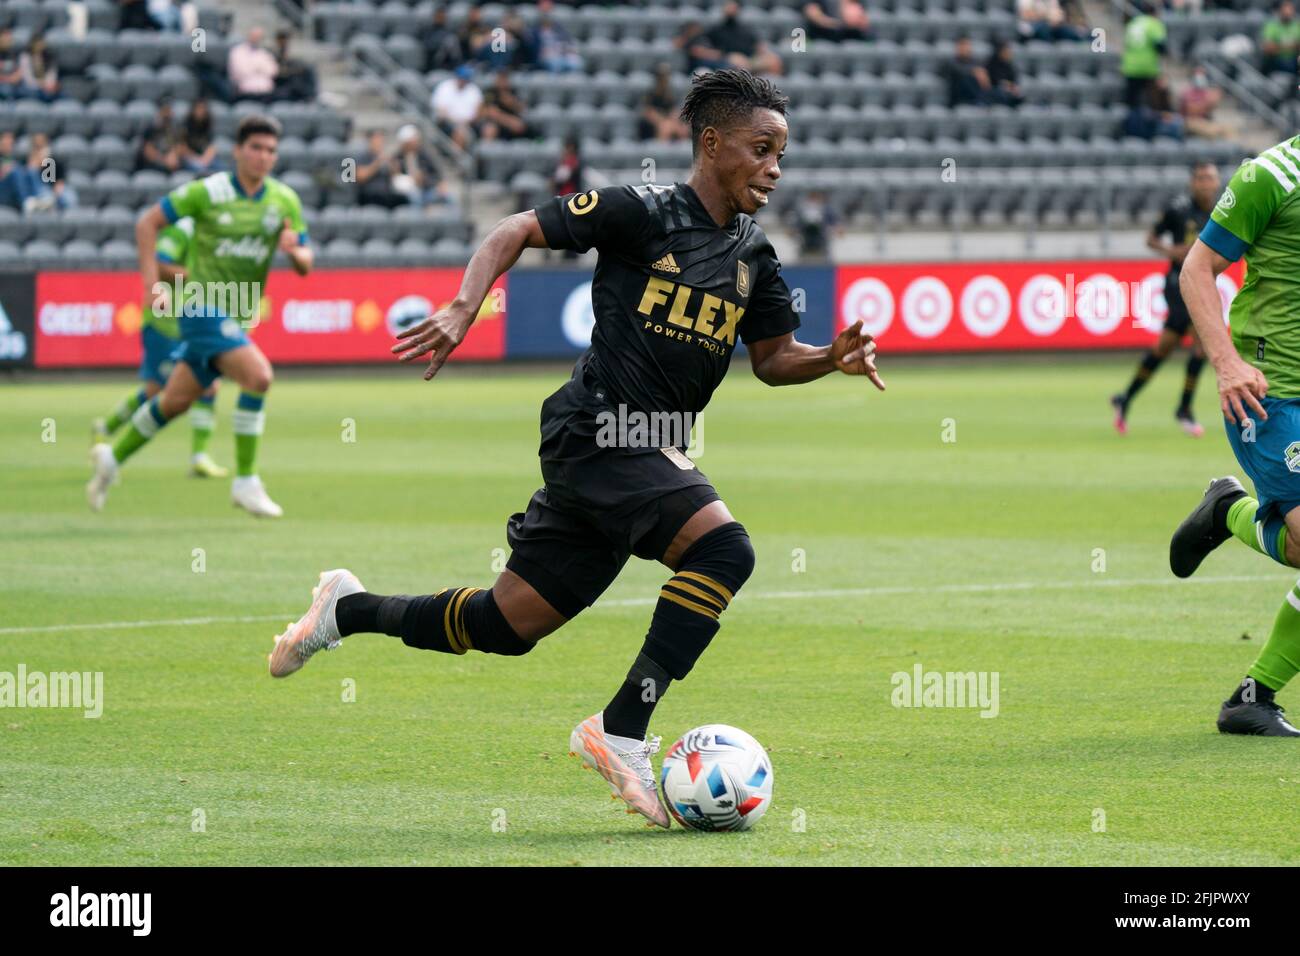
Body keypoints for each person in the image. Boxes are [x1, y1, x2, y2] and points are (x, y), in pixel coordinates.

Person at [264, 70, 885, 829]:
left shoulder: (755, 254)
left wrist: (832, 359)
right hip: (600, 428)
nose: (775, 168)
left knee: (505, 626)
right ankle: (622, 728)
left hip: (642, 451)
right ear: (712, 143)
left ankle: (345, 610)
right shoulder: (642, 212)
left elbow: (774, 357)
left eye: (782, 153)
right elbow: (513, 229)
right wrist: (466, 307)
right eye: (761, 149)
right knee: (726, 551)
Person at [87, 115, 313, 518]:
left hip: (239, 311)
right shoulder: (208, 191)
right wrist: (149, 285)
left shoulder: (284, 200)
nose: (264, 157)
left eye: (271, 150)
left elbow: (306, 263)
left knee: (173, 401)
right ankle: (246, 481)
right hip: (201, 306)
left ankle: (111, 457)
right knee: (259, 376)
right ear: (238, 151)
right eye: (256, 148)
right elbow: (147, 223)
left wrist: (294, 251)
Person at [1170, 132, 1300, 736]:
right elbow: (1196, 269)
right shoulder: (1269, 176)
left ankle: (1253, 699)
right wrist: (1224, 362)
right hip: (1270, 395)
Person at [92, 216, 228, 478]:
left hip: (194, 322)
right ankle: (105, 428)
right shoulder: (182, 231)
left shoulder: (214, 233)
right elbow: (159, 264)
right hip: (164, 322)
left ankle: (200, 457)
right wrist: (197, 277)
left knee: (209, 383)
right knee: (158, 390)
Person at [1111, 161, 1220, 437]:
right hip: (1178, 284)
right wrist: (1172, 250)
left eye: (1211, 178)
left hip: (1203, 284)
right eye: (1201, 178)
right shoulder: (1178, 208)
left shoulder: (1221, 210)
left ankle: (1125, 397)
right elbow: (1151, 239)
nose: (1206, 183)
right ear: (1192, 182)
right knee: (1201, 344)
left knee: (1164, 349)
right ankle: (1183, 409)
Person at [687, 2, 783, 76]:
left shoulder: (746, 29)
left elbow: (759, 46)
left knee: (774, 61)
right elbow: (698, 49)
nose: (730, 9)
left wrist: (764, 54)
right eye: (728, 6)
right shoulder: (715, 30)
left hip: (748, 60)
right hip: (725, 61)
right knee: (737, 65)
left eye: (733, 6)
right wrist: (724, 56)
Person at [391, 124, 453, 207]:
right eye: (412, 141)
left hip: (427, 189)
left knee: (448, 197)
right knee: (414, 196)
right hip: (408, 192)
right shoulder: (397, 158)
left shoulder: (424, 155)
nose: (416, 142)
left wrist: (428, 180)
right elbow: (396, 179)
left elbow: (436, 174)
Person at [1120, 1, 1166, 110]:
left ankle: (1131, 125)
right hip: (1147, 66)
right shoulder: (1154, 24)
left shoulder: (1133, 23)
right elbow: (1160, 45)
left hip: (1130, 66)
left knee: (1132, 101)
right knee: (1151, 101)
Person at [431, 64, 483, 149]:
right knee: (459, 133)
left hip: (469, 124)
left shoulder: (473, 89)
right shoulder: (445, 87)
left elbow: (479, 111)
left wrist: (465, 122)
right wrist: (456, 122)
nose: (463, 81)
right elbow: (440, 111)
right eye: (462, 78)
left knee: (487, 128)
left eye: (465, 79)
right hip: (447, 123)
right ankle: (456, 160)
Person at [355, 129, 408, 209]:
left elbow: (396, 176)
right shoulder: (362, 156)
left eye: (381, 140)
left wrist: (393, 165)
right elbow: (360, 177)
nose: (379, 143)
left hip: (386, 194)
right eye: (377, 140)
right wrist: (377, 163)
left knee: (405, 200)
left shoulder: (386, 157)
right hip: (369, 195)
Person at [476, 70, 531, 141]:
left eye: (504, 80)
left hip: (511, 124)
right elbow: (484, 111)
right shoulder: (490, 93)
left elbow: (522, 109)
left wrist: (512, 103)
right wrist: (504, 118)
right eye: (500, 79)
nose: (502, 83)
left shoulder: (513, 92)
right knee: (490, 128)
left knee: (519, 125)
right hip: (494, 123)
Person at [640, 64, 689, 141]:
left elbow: (675, 110)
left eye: (666, 76)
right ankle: (661, 150)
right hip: (655, 124)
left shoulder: (671, 92)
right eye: (661, 77)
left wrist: (673, 119)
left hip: (669, 120)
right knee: (665, 128)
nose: (664, 79)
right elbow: (648, 112)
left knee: (682, 129)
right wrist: (662, 120)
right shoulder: (650, 93)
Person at [227, 27, 278, 102]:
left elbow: (273, 71)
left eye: (259, 36)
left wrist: (253, 66)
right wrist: (260, 67)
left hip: (266, 92)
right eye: (254, 35)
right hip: (245, 92)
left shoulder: (264, 53)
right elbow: (242, 72)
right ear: (249, 35)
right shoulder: (237, 51)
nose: (256, 38)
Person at [1180, 66, 1228, 139]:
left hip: (1204, 121)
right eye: (1198, 74)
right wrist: (1206, 103)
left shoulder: (1205, 92)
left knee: (1228, 129)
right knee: (1212, 131)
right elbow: (1191, 111)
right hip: (1190, 121)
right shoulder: (1187, 92)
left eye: (1203, 74)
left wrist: (1215, 100)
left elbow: (1209, 109)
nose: (1201, 77)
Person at [943, 35, 991, 107]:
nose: (965, 48)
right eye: (962, 45)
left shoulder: (975, 61)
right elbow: (956, 70)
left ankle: (984, 100)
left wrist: (981, 74)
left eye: (967, 45)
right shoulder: (951, 61)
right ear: (957, 47)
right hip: (958, 96)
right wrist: (974, 72)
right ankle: (980, 100)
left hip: (974, 94)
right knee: (967, 79)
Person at [535, 0, 583, 73]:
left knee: (575, 62)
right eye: (545, 12)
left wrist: (567, 49)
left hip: (560, 54)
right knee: (556, 63)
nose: (547, 15)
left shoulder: (559, 29)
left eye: (549, 12)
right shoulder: (534, 30)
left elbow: (569, 42)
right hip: (544, 58)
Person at [136, 100, 182, 173]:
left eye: (169, 110)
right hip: (151, 165)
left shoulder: (174, 128)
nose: (168, 114)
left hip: (170, 164)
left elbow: (179, 145)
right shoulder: (151, 128)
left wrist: (174, 155)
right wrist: (164, 160)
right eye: (165, 110)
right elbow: (148, 152)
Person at [271, 29, 317, 102]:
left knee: (308, 71)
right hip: (281, 84)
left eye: (285, 39)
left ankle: (311, 97)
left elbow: (296, 67)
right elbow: (277, 71)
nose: (284, 42)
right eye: (281, 39)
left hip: (292, 82)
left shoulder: (289, 52)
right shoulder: (273, 54)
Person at [179, 98, 220, 173]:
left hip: (204, 158)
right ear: (193, 110)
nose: (201, 111)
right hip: (189, 158)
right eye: (199, 108)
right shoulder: (185, 126)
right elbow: (182, 148)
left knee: (221, 168)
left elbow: (211, 147)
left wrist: (204, 160)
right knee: (201, 171)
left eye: (203, 108)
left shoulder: (207, 125)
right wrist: (196, 159)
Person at [419, 5, 463, 72]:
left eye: (442, 16)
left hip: (448, 61)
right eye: (438, 16)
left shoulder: (450, 30)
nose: (440, 18)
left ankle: (455, 68)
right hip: (432, 60)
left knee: (451, 41)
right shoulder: (427, 30)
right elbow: (426, 45)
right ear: (434, 17)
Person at [1260, 0, 1300, 74]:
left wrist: (1279, 45)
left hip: (1293, 59)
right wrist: (1292, 45)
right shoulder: (1272, 25)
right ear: (1279, 11)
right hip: (1276, 60)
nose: (1288, 12)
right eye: (1285, 9)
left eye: (1290, 9)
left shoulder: (1297, 25)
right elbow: (1268, 48)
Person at [801, 0, 871, 42]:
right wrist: (840, 24)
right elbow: (813, 13)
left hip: (852, 35)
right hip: (823, 35)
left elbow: (863, 22)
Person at [18, 34, 60, 102]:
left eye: (41, 43)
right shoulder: (25, 57)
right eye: (37, 43)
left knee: (52, 93)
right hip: (31, 87)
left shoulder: (50, 57)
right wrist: (41, 84)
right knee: (32, 93)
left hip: (47, 86)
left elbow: (52, 75)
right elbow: (28, 78)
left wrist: (48, 84)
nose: (39, 46)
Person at [985, 39, 1025, 108]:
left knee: (1019, 94)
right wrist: (1004, 85)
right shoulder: (991, 64)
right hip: (994, 90)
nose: (1008, 53)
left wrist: (1013, 87)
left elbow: (1014, 80)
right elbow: (992, 80)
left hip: (1008, 90)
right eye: (1006, 51)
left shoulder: (1010, 66)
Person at [0, 29, 23, 101]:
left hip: (14, 84)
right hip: (3, 84)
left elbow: (20, 72)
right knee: (6, 89)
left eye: (9, 38)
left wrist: (12, 78)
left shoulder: (16, 52)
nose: (8, 40)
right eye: (5, 38)